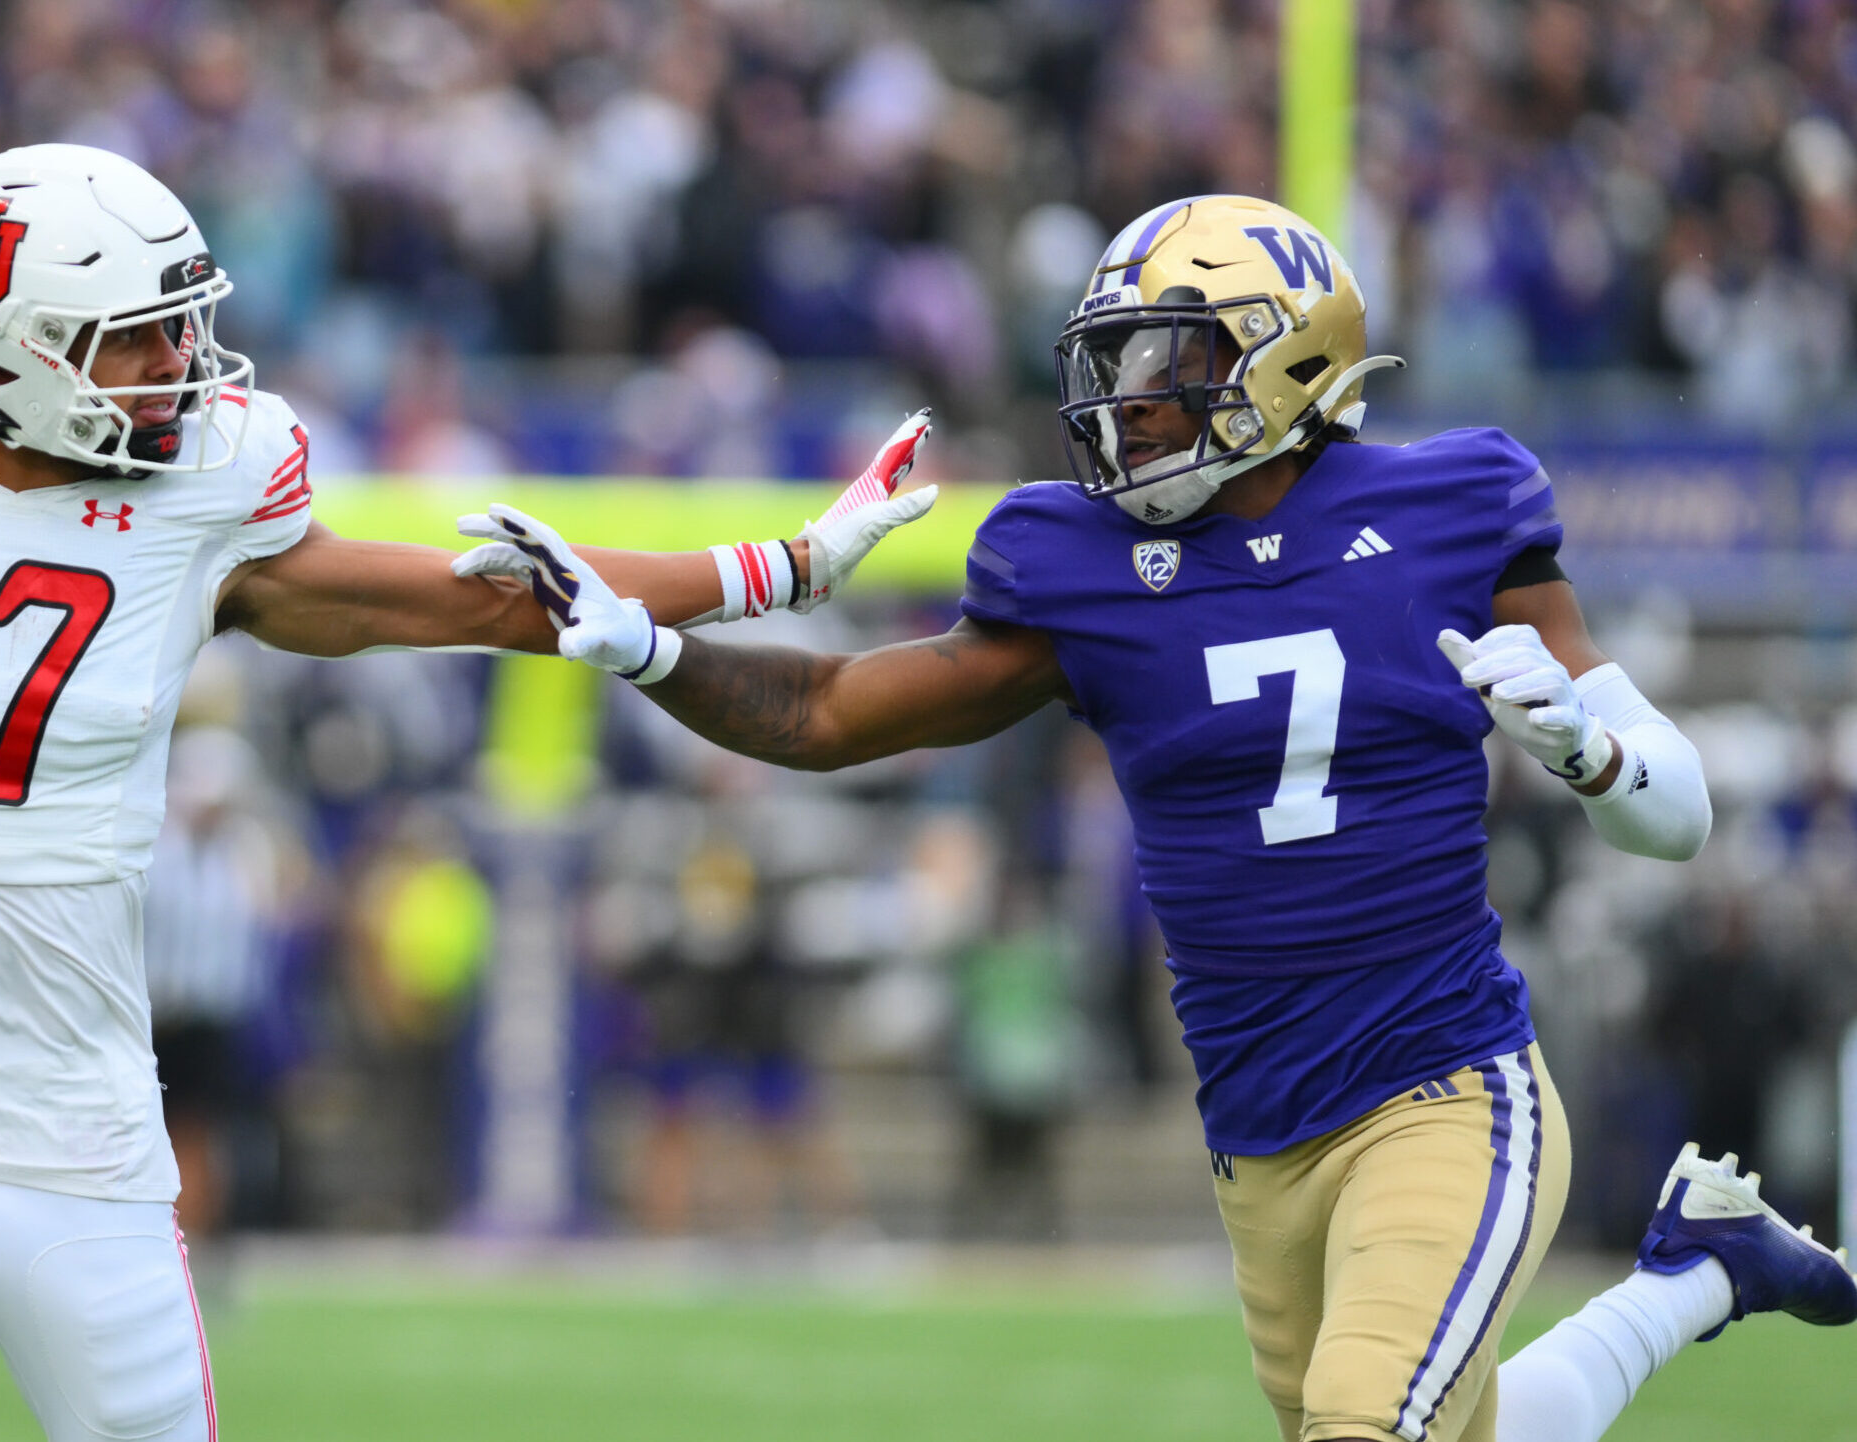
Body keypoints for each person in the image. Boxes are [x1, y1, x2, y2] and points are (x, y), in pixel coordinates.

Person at [0, 142, 938, 1442]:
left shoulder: (200, 502)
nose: (180, 364)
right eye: (136, 335)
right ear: (5, 342)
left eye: (181, 325)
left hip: (75, 1147)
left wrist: (783, 566)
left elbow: (497, 596)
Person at [460, 193, 1856, 1442]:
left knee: (1370, 1426)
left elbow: (1677, 816)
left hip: (1448, 1089)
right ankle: (1701, 1272)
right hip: (1259, 1130)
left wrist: (1590, 749)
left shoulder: (1450, 504)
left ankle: (1696, 1269)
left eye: (1169, 363)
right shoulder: (1081, 566)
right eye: (1118, 364)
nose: (1126, 403)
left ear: (1288, 363)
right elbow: (833, 715)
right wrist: (653, 651)